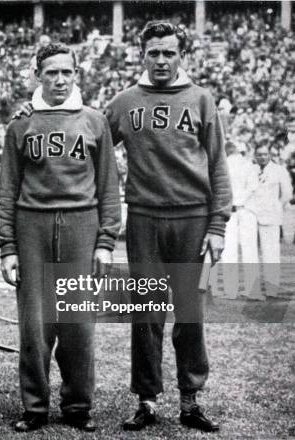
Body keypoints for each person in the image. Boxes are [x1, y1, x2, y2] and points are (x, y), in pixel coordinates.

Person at [104, 22, 231, 432]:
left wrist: (218, 225)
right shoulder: (125, 102)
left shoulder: (201, 99)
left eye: (169, 53)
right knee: (146, 313)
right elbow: (88, 139)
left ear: (181, 56)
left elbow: (218, 164)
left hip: (193, 217)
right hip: (144, 217)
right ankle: (146, 400)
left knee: (190, 313)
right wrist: (33, 112)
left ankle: (190, 400)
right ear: (142, 55)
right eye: (154, 52)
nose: (161, 60)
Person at [0, 43, 120, 432]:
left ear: (77, 74)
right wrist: (8, 247)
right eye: (52, 73)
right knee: (34, 324)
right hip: (31, 224)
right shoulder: (22, 123)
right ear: (38, 76)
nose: (60, 79)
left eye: (67, 72)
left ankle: (78, 406)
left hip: (81, 225)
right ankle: (34, 407)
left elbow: (108, 187)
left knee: (78, 323)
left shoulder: (94, 121)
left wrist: (105, 241)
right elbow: (8, 188)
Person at [210, 141, 257, 299]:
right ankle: (241, 290)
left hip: (240, 209)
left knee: (234, 250)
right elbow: (251, 188)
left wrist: (235, 202)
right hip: (239, 209)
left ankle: (235, 290)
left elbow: (251, 188)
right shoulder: (246, 165)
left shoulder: (246, 166)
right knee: (240, 250)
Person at [244, 144, 292, 297]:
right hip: (251, 215)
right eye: (259, 154)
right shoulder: (251, 170)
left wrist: (277, 206)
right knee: (250, 253)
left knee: (271, 253)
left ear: (270, 155)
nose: (262, 157)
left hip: (271, 216)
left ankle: (272, 289)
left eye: (265, 154)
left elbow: (287, 194)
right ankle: (253, 289)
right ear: (255, 156)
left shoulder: (279, 171)